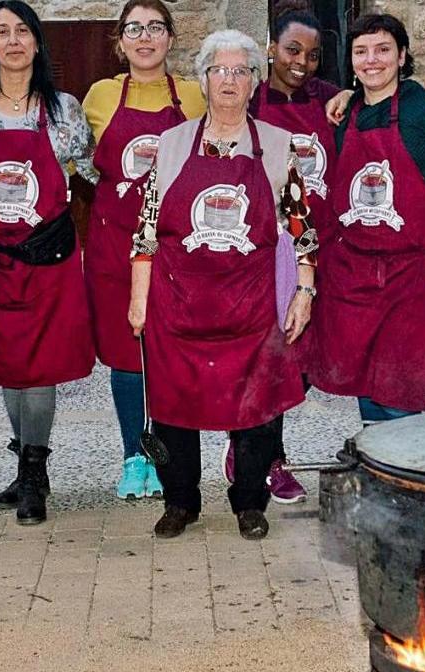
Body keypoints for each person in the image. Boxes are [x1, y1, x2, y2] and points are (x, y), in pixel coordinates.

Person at [128, 30, 317, 541]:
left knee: (257, 405)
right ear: (204, 80)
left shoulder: (278, 147)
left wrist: (304, 290)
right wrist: (138, 299)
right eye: (219, 70)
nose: (229, 80)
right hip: (178, 302)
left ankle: (250, 502)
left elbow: (301, 225)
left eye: (240, 71)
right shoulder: (171, 145)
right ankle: (181, 502)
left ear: (255, 82)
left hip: (252, 304)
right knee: (173, 407)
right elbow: (146, 231)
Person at [0, 0, 96, 526]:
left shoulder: (63, 112)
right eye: (2, 32)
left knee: (40, 370)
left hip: (48, 257)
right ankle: (25, 464)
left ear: (36, 42)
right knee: (8, 366)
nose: (13, 41)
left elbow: (90, 172)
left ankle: (35, 468)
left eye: (22, 32)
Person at [306, 14, 425, 423]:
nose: (371, 60)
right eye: (360, 52)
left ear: (402, 56)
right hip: (355, 270)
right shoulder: (346, 113)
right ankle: (375, 469)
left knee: (400, 386)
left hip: (413, 273)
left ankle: (404, 473)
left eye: (382, 50)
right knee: (365, 378)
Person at [82, 0, 205, 501]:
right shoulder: (99, 96)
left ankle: (169, 457)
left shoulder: (195, 97)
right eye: (135, 28)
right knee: (125, 356)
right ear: (121, 40)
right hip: (116, 245)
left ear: (171, 38)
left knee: (172, 352)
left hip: (178, 250)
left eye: (156, 27)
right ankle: (135, 456)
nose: (145, 37)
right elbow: (78, 162)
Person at [221, 8, 343, 505]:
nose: (302, 63)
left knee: (303, 363)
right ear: (270, 47)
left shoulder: (332, 99)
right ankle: (263, 456)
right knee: (266, 357)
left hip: (320, 247)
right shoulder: (248, 102)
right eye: (292, 50)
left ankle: (252, 444)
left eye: (312, 55)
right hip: (265, 251)